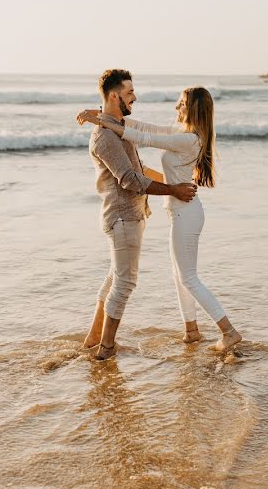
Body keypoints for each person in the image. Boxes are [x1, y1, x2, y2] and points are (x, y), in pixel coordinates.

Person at [77, 87, 242, 352]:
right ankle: (191, 331)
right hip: (181, 213)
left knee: (188, 277)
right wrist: (100, 114)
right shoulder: (182, 132)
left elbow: (141, 136)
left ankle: (229, 331)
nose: (177, 108)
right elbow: (142, 125)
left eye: (181, 104)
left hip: (186, 214)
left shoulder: (189, 139)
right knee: (180, 276)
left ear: (193, 108)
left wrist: (101, 121)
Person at [81, 69, 198, 360]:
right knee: (125, 282)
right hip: (122, 217)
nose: (135, 96)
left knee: (114, 278)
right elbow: (130, 179)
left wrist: (180, 182)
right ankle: (106, 347)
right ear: (114, 95)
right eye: (130, 92)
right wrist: (173, 190)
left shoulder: (119, 126)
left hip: (130, 214)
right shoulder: (106, 136)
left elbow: (143, 164)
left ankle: (94, 338)